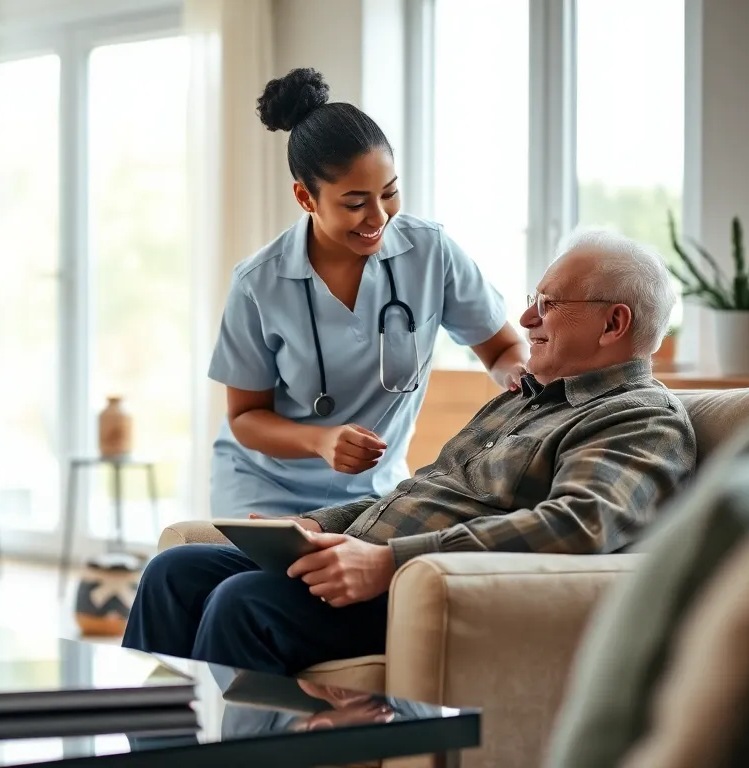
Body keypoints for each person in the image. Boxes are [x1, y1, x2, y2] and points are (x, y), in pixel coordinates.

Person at [125, 227, 697, 676]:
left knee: (244, 602)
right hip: (373, 561)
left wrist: (389, 562)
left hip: (432, 586)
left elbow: (579, 526)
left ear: (613, 323)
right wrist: (309, 526)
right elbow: (419, 493)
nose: (526, 319)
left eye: (548, 303)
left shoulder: (639, 417)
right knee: (176, 572)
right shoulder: (521, 400)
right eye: (532, 300)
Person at [209, 67, 528, 519]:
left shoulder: (430, 252)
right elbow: (245, 418)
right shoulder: (258, 283)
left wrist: (517, 373)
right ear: (306, 198)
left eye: (390, 193)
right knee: (246, 588)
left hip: (376, 489)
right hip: (263, 486)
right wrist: (321, 441)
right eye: (355, 203)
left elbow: (502, 350)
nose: (378, 216)